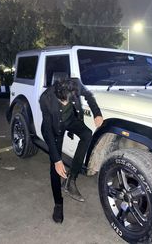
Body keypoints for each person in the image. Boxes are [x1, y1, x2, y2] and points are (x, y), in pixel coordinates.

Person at [39, 77, 103, 223]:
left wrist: (97, 113)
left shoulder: (75, 84)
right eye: (62, 101)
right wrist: (56, 160)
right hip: (54, 129)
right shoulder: (45, 99)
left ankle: (71, 179)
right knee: (55, 167)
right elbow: (48, 130)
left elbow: (89, 95)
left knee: (87, 134)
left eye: (68, 101)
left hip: (70, 120)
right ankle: (58, 204)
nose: (65, 103)